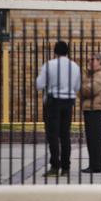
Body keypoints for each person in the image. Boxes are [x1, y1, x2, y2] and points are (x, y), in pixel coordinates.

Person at [36, 41, 81, 177]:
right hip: (68, 101)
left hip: (54, 101)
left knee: (53, 135)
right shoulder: (74, 66)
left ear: (55, 52)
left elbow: (39, 84)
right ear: (67, 51)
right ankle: (66, 167)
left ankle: (55, 166)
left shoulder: (49, 65)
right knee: (65, 134)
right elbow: (77, 87)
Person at [80, 53, 101, 173]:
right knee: (92, 139)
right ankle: (96, 164)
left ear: (100, 62)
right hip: (90, 110)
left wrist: (79, 87)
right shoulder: (92, 75)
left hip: (96, 110)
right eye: (88, 60)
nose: (89, 62)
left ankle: (96, 165)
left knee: (95, 139)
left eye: (92, 60)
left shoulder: (100, 75)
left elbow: (90, 90)